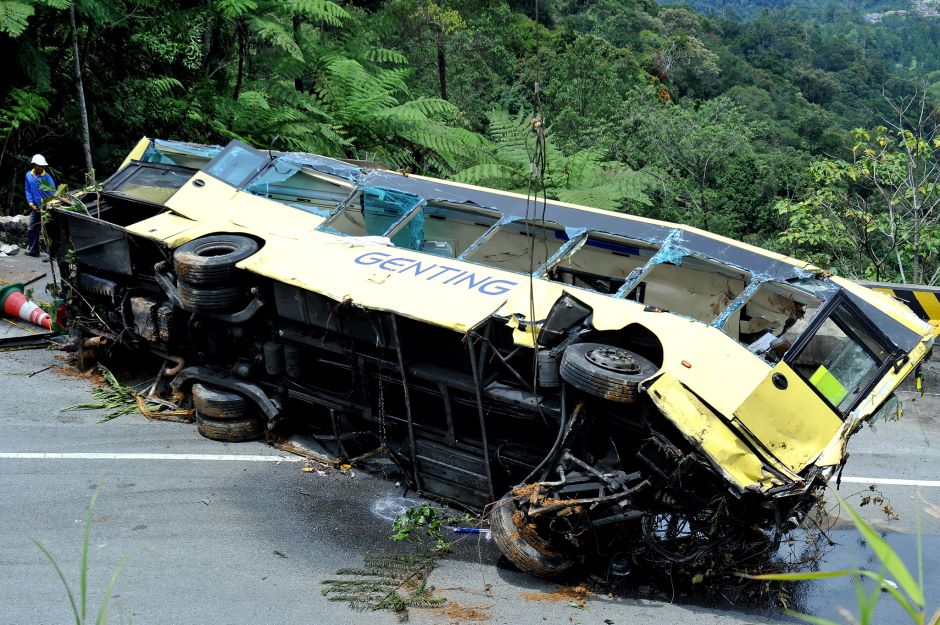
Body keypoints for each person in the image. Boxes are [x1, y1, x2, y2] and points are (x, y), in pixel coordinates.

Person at [24, 153, 54, 257]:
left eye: (42, 166)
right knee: (31, 228)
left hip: (46, 208)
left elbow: (53, 193)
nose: (41, 168)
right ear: (34, 165)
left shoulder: (47, 178)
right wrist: (31, 203)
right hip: (35, 208)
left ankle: (50, 255)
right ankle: (34, 251)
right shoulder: (28, 175)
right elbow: (28, 190)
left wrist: (48, 205)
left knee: (48, 231)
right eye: (39, 166)